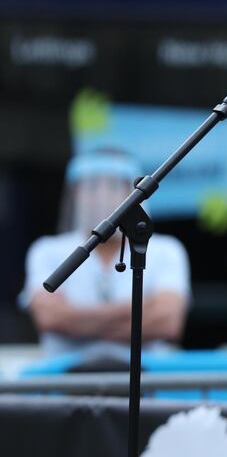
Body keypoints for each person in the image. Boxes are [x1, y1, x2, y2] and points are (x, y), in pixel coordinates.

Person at [19, 149, 191, 360]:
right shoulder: (46, 250)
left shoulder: (167, 250)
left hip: (146, 384)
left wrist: (76, 321)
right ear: (76, 194)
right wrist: (142, 308)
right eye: (91, 186)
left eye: (114, 184)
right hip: (65, 386)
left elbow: (167, 322)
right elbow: (49, 318)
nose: (102, 195)